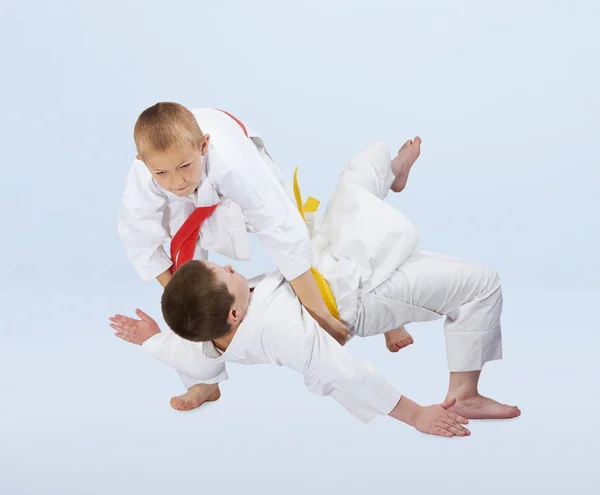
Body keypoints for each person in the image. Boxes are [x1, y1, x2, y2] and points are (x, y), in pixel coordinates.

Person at [110, 141, 520, 433]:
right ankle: (464, 392)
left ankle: (392, 172)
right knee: (481, 284)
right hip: (366, 294)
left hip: (323, 258)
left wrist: (151, 340)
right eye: (225, 273)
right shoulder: (284, 335)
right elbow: (348, 374)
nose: (231, 267)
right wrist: (416, 416)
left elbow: (190, 353)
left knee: (356, 181)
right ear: (235, 314)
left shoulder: (209, 326)